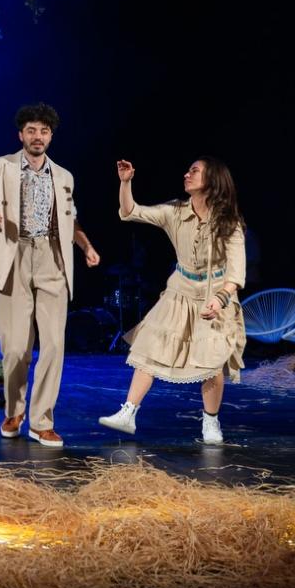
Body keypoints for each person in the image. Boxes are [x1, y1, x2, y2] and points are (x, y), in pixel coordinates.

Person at [0, 103, 100, 448]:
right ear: (21, 135)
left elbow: (70, 220)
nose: (37, 137)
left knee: (54, 344)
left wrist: (86, 246)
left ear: (50, 136)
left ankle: (42, 422)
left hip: (52, 257)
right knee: (15, 348)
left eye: (43, 131)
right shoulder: (1, 166)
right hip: (14, 256)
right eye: (31, 131)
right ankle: (14, 411)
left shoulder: (64, 176)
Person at [98, 158, 247, 444]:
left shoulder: (229, 223)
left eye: (195, 171)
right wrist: (126, 183)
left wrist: (220, 299)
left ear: (212, 180)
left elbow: (236, 273)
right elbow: (130, 212)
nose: (187, 174)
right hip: (179, 290)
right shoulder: (175, 211)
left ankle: (211, 422)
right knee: (149, 347)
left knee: (212, 362)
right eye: (188, 170)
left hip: (215, 294)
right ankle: (128, 412)